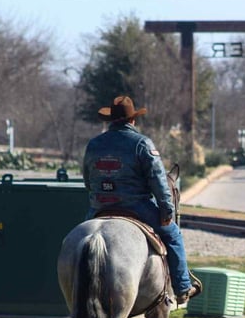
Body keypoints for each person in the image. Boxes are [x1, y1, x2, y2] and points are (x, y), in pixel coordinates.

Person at [82, 95, 201, 305]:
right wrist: (166, 210)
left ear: (111, 120)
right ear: (133, 120)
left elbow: (88, 180)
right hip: (135, 207)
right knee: (173, 234)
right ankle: (182, 287)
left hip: (99, 207)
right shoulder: (142, 144)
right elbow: (158, 181)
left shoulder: (93, 144)